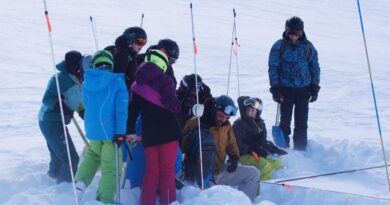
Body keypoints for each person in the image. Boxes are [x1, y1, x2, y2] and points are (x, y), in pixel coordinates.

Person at [127, 39, 182, 205]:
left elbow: (132, 111)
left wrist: (130, 130)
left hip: (148, 134)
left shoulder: (136, 85)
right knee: (166, 172)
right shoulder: (165, 80)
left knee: (151, 172)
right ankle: (167, 202)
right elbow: (172, 105)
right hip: (168, 132)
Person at [74, 50, 128, 203]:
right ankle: (104, 199)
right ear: (110, 64)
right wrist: (120, 133)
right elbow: (121, 110)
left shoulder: (86, 82)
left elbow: (85, 103)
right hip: (111, 133)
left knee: (93, 156)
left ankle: (80, 183)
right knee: (111, 167)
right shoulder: (116, 82)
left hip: (94, 130)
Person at [182, 95, 260, 201]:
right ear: (214, 109)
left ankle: (245, 202)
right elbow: (182, 146)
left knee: (253, 173)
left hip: (219, 171)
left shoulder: (226, 126)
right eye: (220, 115)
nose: (223, 119)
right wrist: (195, 135)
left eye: (227, 117)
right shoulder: (197, 122)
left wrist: (234, 158)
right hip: (199, 177)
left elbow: (232, 144)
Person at [268, 16, 321, 150]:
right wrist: (275, 88)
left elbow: (314, 67)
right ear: (286, 31)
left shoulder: (308, 47)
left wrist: (314, 86)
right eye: (291, 34)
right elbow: (273, 67)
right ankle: (283, 148)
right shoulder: (279, 46)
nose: (293, 37)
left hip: (304, 89)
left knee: (302, 121)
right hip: (285, 90)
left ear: (301, 32)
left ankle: (301, 148)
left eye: (296, 34)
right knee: (285, 121)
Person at [38, 50, 83, 184]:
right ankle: (66, 187)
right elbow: (47, 99)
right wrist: (61, 106)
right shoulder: (59, 79)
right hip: (50, 121)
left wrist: (83, 112)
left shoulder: (79, 78)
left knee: (58, 156)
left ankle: (52, 180)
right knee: (70, 158)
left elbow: (77, 100)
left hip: (58, 121)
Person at [233, 96, 287, 181]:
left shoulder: (260, 123)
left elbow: (263, 141)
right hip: (243, 156)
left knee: (278, 164)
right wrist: (253, 150)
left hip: (256, 154)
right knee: (265, 166)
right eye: (248, 110)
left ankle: (275, 187)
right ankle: (261, 190)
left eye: (253, 110)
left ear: (258, 111)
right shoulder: (239, 124)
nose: (250, 112)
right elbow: (237, 146)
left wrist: (274, 149)